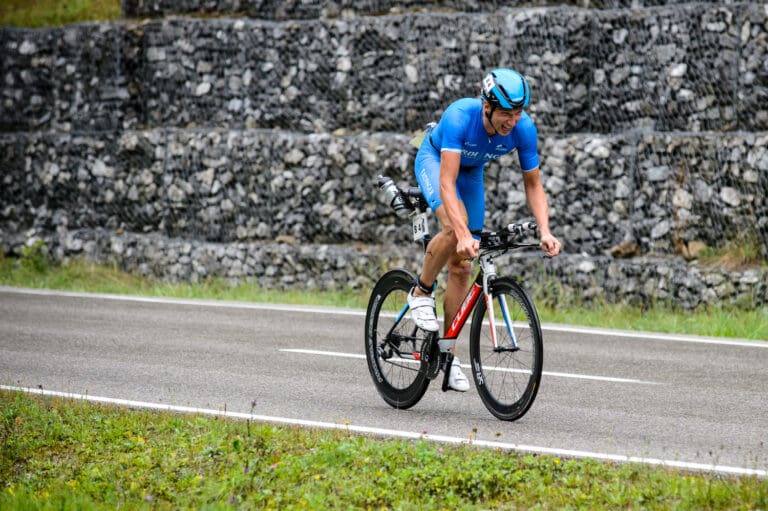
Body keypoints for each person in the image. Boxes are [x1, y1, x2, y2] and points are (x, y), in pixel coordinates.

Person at [408, 68, 562, 391]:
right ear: (487, 107)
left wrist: (545, 231)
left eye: (518, 113)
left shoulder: (524, 129)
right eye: (507, 113)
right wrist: (462, 233)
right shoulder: (460, 117)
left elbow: (533, 185)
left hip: (472, 171)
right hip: (435, 160)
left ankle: (446, 355)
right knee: (455, 226)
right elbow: (447, 184)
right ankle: (420, 291)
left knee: (463, 268)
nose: (513, 121)